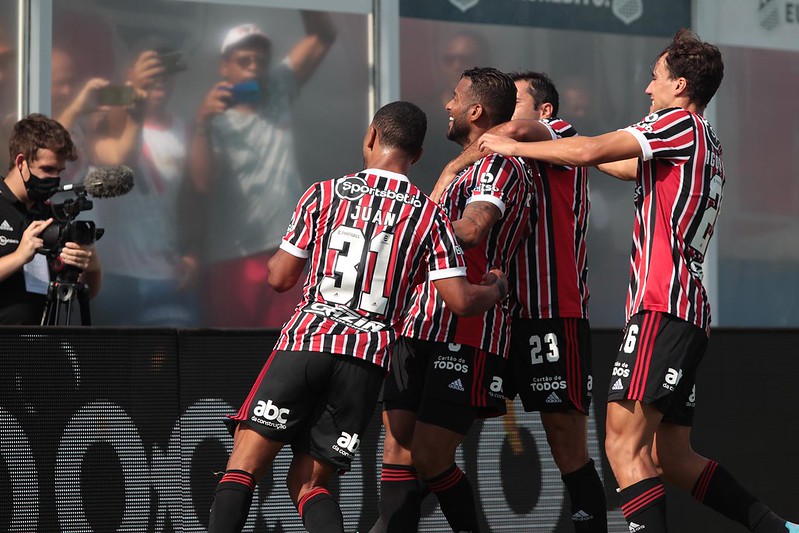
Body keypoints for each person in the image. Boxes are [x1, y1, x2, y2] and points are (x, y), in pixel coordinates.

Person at [478, 30, 799, 533]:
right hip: (687, 312)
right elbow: (621, 164)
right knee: (672, 457)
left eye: (655, 78)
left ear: (681, 84)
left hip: (662, 306)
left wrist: (504, 141)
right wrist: (562, 142)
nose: (648, 90)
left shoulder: (677, 123)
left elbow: (590, 153)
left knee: (621, 445)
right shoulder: (706, 137)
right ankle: (776, 527)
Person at [206, 101, 509, 533]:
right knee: (310, 484)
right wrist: (497, 287)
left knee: (243, 467)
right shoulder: (429, 216)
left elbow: (278, 277)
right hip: (366, 362)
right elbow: (460, 301)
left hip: (308, 341)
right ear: (418, 156)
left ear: (370, 137)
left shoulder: (324, 194)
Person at [434, 70, 608, 532]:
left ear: (546, 112)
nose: (508, 115)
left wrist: (464, 156)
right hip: (497, 312)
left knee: (565, 442)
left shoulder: (558, 135)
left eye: (518, 104)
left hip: (553, 311)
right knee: (437, 435)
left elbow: (508, 132)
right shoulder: (498, 163)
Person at [372, 67, 532, 533]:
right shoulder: (461, 167)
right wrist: (444, 174)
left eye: (455, 97)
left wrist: (404, 226)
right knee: (397, 451)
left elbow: (475, 227)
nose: (447, 104)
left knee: (430, 455)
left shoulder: (499, 164)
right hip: (415, 325)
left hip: (466, 330)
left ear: (475, 111)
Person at [190, 12, 336, 328]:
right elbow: (203, 184)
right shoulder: (212, 118)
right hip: (233, 256)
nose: (254, 60)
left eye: (260, 54)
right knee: (234, 357)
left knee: (280, 349)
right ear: (224, 66)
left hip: (286, 250)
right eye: (244, 56)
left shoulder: (277, 87)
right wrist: (202, 124)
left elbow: (322, 36)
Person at [90, 42, 200, 326]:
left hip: (165, 275)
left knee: (166, 367)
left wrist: (192, 252)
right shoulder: (109, 124)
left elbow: (191, 199)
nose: (158, 78)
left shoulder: (182, 130)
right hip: (114, 275)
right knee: (114, 368)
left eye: (164, 72)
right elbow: (119, 160)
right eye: (150, 71)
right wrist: (133, 89)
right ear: (131, 76)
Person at [0, 113, 102, 324]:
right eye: (47, 169)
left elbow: (87, 292)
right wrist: (19, 257)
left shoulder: (52, 214)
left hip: (43, 344)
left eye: (59, 171)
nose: (55, 179)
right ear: (21, 163)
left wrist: (90, 264)